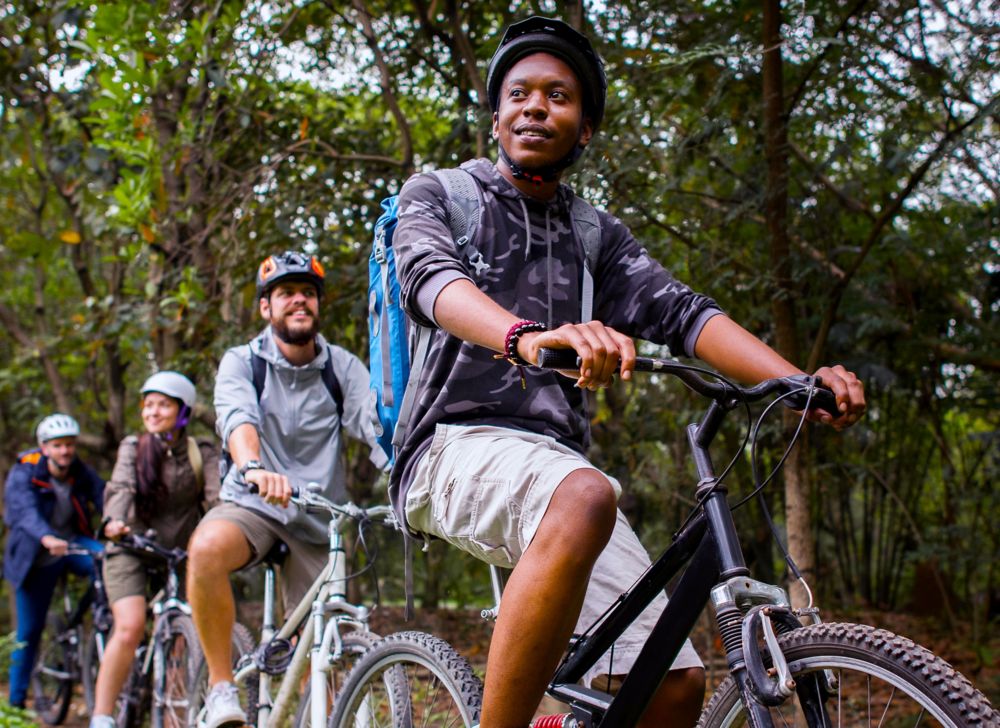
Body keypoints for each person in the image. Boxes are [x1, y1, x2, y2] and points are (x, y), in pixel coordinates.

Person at [390, 16, 867, 728]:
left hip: (555, 471)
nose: (536, 106)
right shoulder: (441, 195)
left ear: (583, 130)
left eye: (559, 95)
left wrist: (796, 384)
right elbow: (430, 283)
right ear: (495, 118)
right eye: (519, 93)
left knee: (669, 688)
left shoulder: (594, 236)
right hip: (446, 447)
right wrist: (523, 337)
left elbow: (685, 315)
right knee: (586, 495)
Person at [187, 250, 385, 728]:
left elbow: (375, 425)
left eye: (308, 293)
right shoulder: (243, 362)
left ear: (318, 306)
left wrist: (405, 477)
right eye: (286, 293)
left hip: (319, 517)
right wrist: (254, 466)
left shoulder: (342, 368)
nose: (299, 300)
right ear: (265, 308)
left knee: (320, 646)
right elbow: (238, 419)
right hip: (255, 501)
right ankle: (219, 688)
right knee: (207, 549)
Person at [88, 371, 220, 728]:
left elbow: (215, 498)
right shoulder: (133, 446)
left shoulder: (202, 451)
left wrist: (222, 530)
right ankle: (101, 716)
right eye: (148, 405)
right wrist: (114, 522)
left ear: (183, 412)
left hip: (177, 554)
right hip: (130, 547)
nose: (153, 412)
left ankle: (175, 704)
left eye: (163, 405)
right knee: (130, 627)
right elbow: (121, 487)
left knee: (188, 627)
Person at [3, 414, 104, 710]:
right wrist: (46, 537)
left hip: (73, 546)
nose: (65, 451)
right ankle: (15, 704)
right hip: (35, 557)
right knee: (29, 632)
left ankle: (99, 618)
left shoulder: (79, 471)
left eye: (69, 445)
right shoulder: (24, 472)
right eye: (58, 446)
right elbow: (22, 511)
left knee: (108, 561)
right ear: (44, 448)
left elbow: (102, 495)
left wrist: (116, 521)